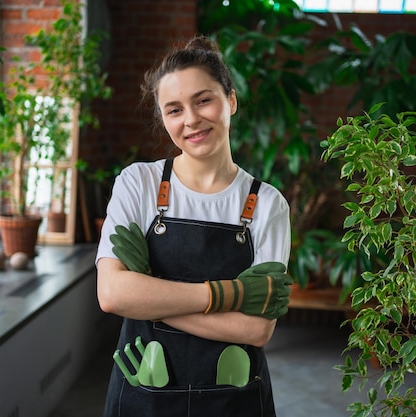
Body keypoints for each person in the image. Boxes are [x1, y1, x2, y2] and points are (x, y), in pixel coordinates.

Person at [95, 35, 292, 417]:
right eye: (174, 109)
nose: (191, 120)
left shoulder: (268, 204)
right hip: (145, 394)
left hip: (232, 401)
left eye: (204, 100)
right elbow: (113, 294)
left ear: (230, 100)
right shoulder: (139, 183)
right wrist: (232, 296)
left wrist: (150, 301)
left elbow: (256, 330)